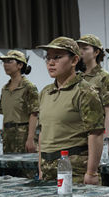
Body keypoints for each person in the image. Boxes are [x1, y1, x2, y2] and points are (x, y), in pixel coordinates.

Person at [36, 37, 104, 184]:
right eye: (48, 58)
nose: (51, 62)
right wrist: (40, 167)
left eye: (57, 57)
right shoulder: (45, 92)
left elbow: (96, 133)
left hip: (74, 169)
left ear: (74, 60)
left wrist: (91, 172)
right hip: (47, 168)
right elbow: (42, 131)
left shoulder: (85, 91)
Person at [77, 34, 109, 150]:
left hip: (98, 134)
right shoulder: (78, 77)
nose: (81, 52)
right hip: (79, 135)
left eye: (85, 48)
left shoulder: (104, 77)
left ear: (96, 52)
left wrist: (106, 138)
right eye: (79, 48)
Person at [0, 50, 39, 154]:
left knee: (24, 164)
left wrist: (30, 139)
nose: (5, 65)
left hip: (23, 134)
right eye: (4, 62)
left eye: (9, 61)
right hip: (7, 136)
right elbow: (5, 115)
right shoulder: (5, 89)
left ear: (20, 65)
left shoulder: (29, 87)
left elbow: (34, 114)